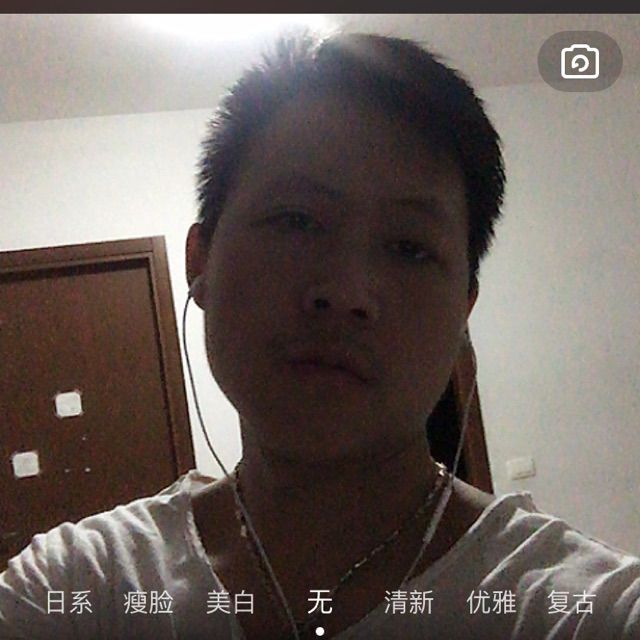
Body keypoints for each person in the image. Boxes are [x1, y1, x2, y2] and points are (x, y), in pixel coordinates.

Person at [1, 30, 639, 640]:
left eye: (410, 248)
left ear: (464, 309)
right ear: (201, 261)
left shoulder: (579, 605)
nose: (346, 291)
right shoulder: (78, 586)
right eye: (297, 220)